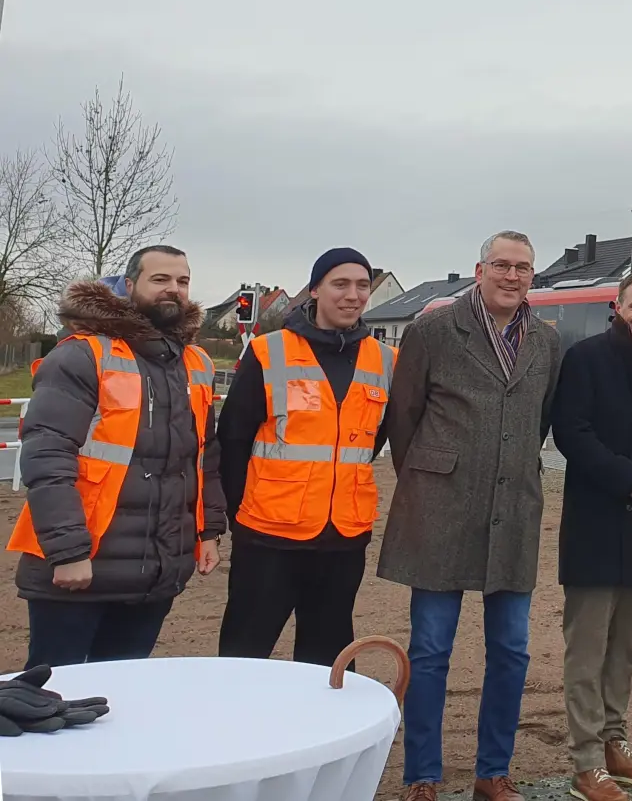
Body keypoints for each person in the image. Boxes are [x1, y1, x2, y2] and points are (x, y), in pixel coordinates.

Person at [377, 230, 561, 801]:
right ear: (479, 270)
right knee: (431, 649)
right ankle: (422, 775)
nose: (512, 275)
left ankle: (493, 772)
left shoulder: (546, 343)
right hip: (441, 507)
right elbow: (403, 417)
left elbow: (542, 419)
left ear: (533, 275)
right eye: (501, 265)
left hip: (513, 508)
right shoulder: (434, 330)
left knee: (511, 649)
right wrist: (435, 475)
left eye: (523, 267)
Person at [8, 246, 224, 668]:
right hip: (79, 569)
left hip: (156, 571)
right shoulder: (83, 354)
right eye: (160, 279)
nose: (174, 290)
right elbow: (47, 457)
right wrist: (68, 552)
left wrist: (209, 530)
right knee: (53, 700)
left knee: (120, 701)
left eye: (182, 281)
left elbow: (204, 455)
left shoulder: (195, 363)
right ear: (129, 286)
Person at [215, 248, 394, 666]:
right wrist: (241, 513)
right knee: (245, 651)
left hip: (343, 538)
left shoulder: (385, 360)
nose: (353, 295)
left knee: (329, 657)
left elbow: (374, 438)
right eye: (340, 284)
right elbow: (234, 439)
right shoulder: (268, 352)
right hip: (268, 535)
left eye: (363, 285)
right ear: (315, 290)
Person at [551, 269, 632, 801]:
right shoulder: (585, 358)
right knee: (587, 650)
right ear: (618, 306)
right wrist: (631, 480)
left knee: (624, 649)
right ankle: (586, 761)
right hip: (596, 523)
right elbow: (571, 434)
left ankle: (613, 742)